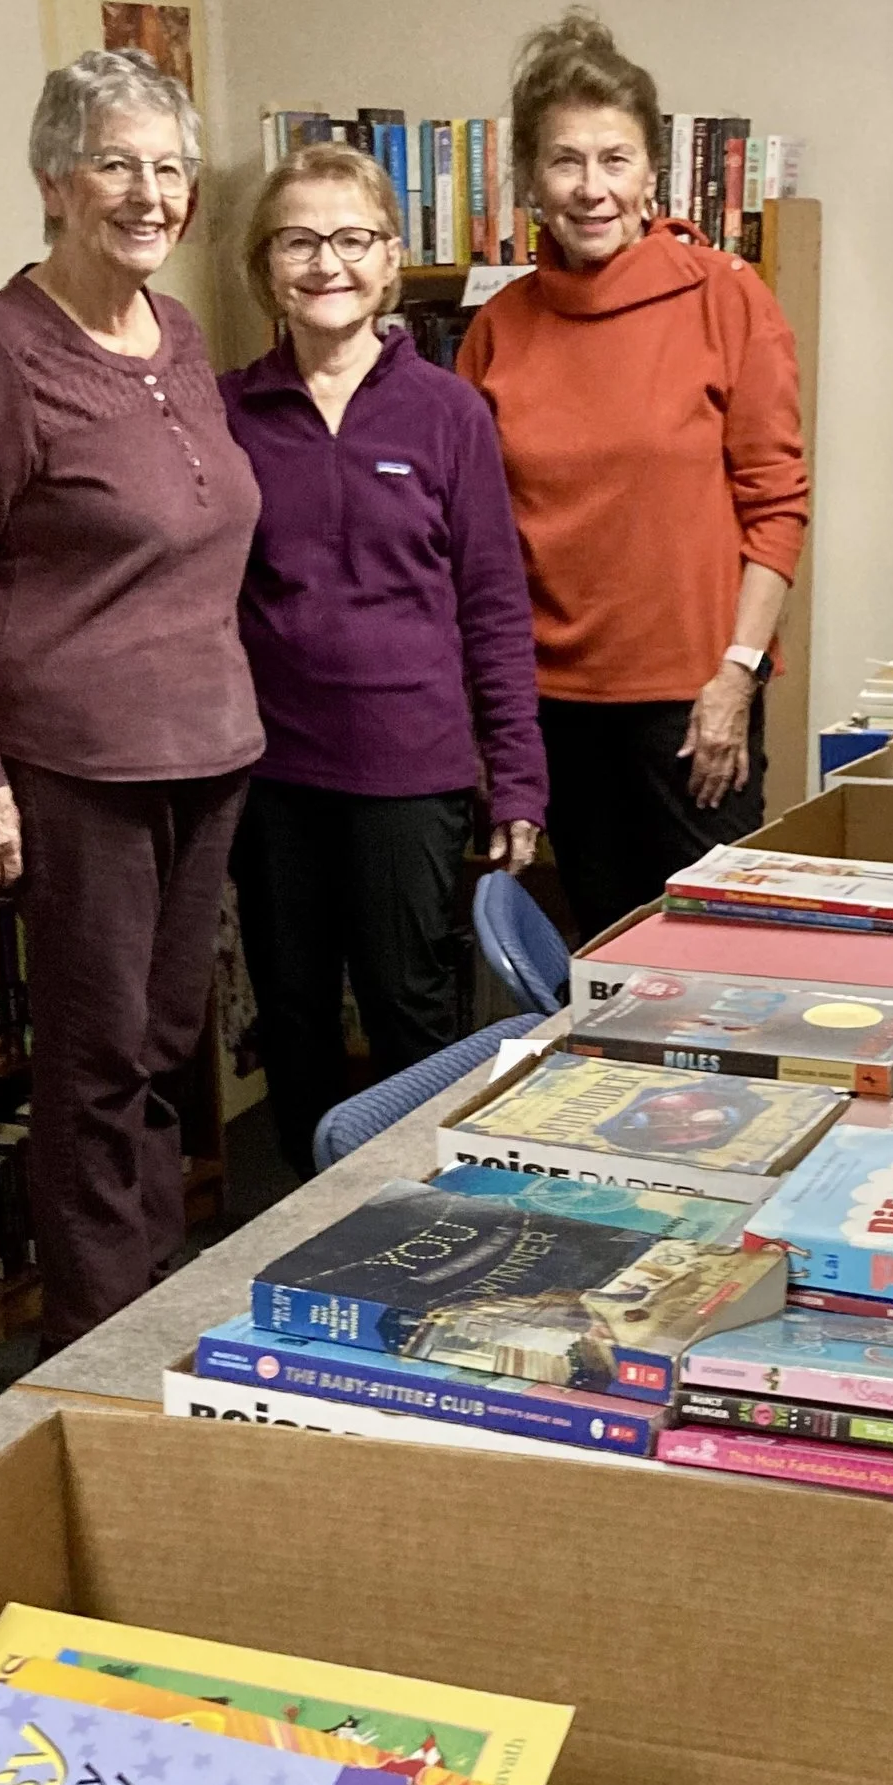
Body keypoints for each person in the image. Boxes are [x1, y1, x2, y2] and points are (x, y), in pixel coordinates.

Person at [0, 47, 263, 1352]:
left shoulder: (180, 333)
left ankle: (153, 1291)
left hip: (206, 750)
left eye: (170, 167)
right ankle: (102, 1346)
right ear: (55, 179)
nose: (150, 193)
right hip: (80, 767)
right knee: (96, 1069)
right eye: (118, 162)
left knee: (166, 1053)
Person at [222, 143, 544, 1175]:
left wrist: (518, 779)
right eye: (300, 240)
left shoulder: (448, 412)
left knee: (415, 1023)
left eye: (353, 239)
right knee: (296, 1019)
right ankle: (297, 1236)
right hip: (270, 777)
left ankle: (424, 1225)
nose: (328, 263)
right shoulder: (224, 413)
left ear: (392, 259)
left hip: (412, 772)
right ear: (264, 265)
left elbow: (492, 604)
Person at [459, 8, 810, 940]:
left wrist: (736, 676)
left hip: (696, 706)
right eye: (566, 161)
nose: (591, 188)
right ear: (531, 179)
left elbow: (776, 507)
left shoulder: (727, 296)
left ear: (650, 172)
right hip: (554, 711)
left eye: (614, 160)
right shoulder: (499, 330)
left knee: (721, 957)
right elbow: (475, 535)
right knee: (608, 960)